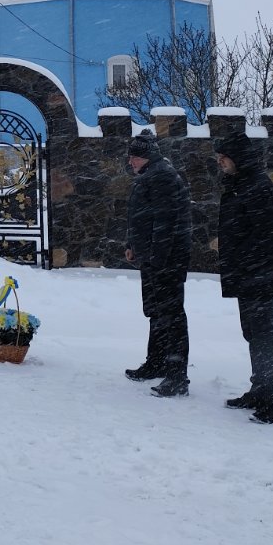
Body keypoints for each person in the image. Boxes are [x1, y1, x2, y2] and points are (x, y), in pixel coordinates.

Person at [213, 132, 273, 424]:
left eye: (224, 157)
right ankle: (260, 390)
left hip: (258, 274)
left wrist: (248, 268)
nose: (220, 162)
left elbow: (262, 235)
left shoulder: (256, 187)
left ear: (239, 158)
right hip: (248, 273)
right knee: (254, 335)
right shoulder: (240, 185)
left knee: (263, 336)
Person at [122, 133, 193, 397]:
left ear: (148, 156)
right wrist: (133, 244)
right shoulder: (151, 174)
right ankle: (156, 363)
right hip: (154, 258)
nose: (131, 161)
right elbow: (142, 217)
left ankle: (177, 376)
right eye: (130, 156)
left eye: (135, 157)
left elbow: (165, 223)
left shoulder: (162, 176)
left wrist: (158, 259)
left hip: (165, 260)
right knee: (157, 312)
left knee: (172, 316)